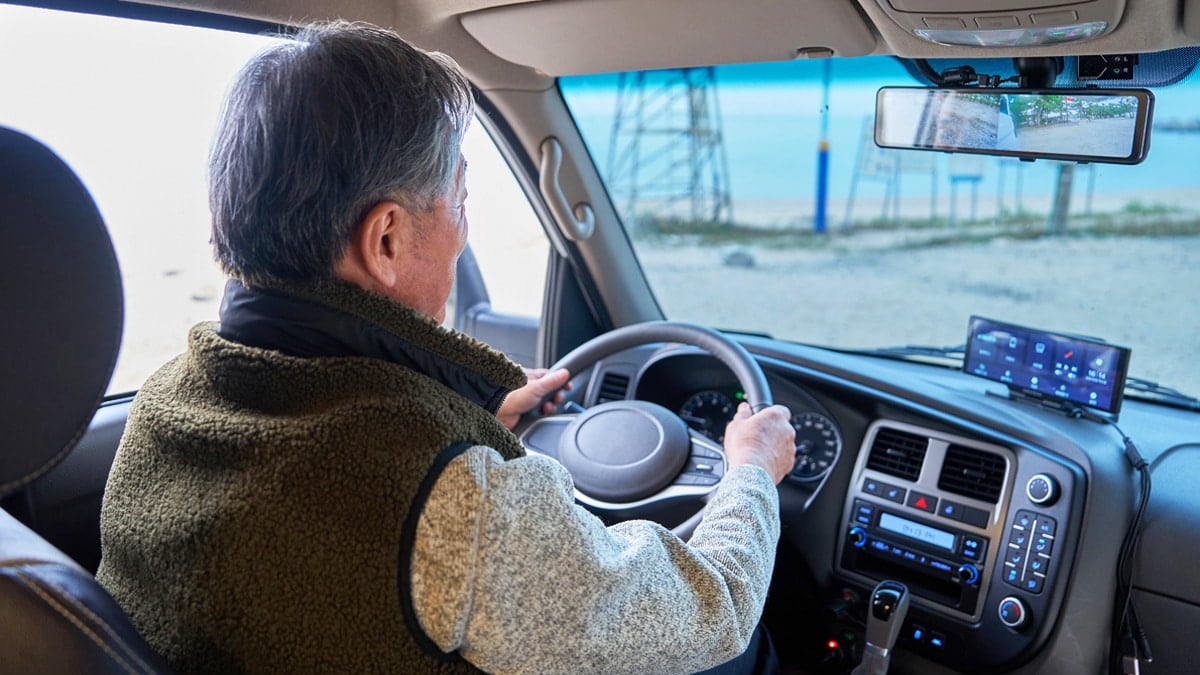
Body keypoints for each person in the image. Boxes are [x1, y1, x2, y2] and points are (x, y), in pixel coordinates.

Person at [96, 20, 797, 675]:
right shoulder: (448, 497)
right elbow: (714, 607)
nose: (463, 236)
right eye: (459, 202)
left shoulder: (166, 399)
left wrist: (477, 421)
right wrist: (751, 471)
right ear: (387, 240)